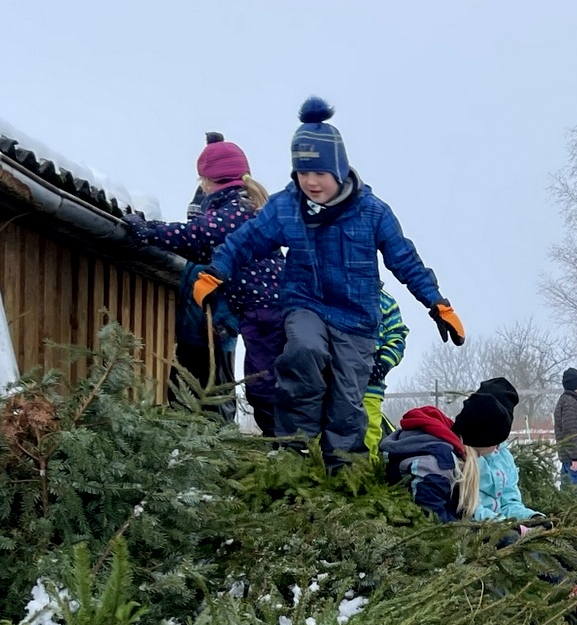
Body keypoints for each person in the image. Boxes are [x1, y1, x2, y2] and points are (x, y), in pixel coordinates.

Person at [193, 98, 465, 466]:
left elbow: (404, 258)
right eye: (303, 174)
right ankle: (296, 442)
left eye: (318, 173)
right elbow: (248, 238)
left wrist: (437, 303)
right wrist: (217, 270)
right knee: (305, 350)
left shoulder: (372, 212)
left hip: (357, 318)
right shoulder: (287, 206)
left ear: (338, 169)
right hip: (306, 303)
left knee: (347, 397)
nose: (311, 182)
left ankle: (342, 466)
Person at [380, 379, 577, 625]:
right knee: (529, 547)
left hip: (499, 524)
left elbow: (509, 499)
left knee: (557, 537)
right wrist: (514, 527)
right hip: (485, 530)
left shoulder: (490, 454)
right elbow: (461, 511)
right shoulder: (456, 461)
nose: (499, 446)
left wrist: (531, 518)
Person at [126, 133, 283, 423]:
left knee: (264, 385)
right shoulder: (245, 205)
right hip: (258, 309)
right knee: (261, 381)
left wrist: (148, 231)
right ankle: (281, 442)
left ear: (209, 182)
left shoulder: (237, 211)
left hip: (261, 310)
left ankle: (284, 445)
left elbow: (196, 235)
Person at [363, 289, 407, 455]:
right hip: (334, 383)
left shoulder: (386, 302)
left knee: (369, 435)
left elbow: (397, 337)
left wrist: (382, 365)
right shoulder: (334, 291)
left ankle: (368, 475)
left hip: (370, 387)